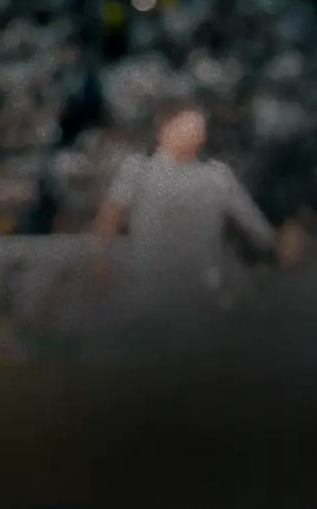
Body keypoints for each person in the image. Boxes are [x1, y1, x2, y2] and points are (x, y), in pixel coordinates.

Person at [90, 99, 303, 352]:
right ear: (165, 129)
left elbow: (256, 227)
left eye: (199, 127)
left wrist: (283, 242)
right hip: (150, 293)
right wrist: (100, 256)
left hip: (201, 293)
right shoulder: (138, 170)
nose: (196, 133)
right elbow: (109, 216)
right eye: (187, 125)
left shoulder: (216, 176)